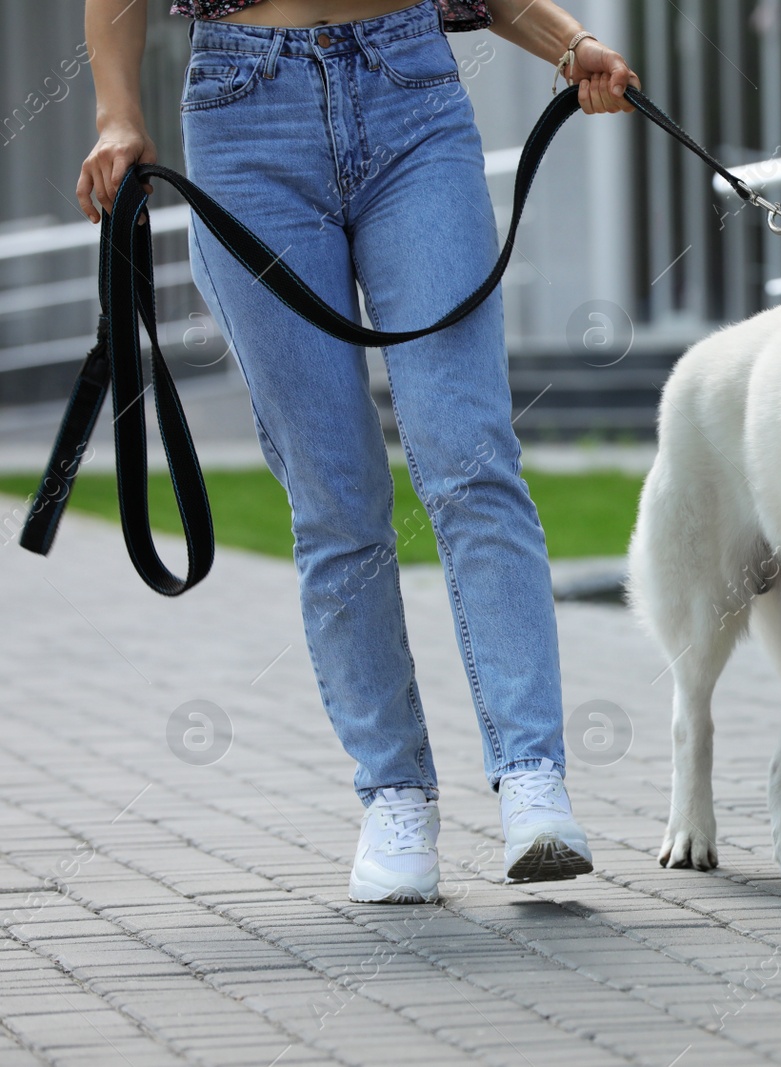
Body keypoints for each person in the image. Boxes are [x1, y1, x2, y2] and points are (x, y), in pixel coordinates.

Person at [79, 0, 640, 903]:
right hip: (242, 113)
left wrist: (570, 43)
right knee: (335, 495)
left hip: (408, 90)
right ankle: (396, 795)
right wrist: (118, 113)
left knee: (471, 461)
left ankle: (533, 773)